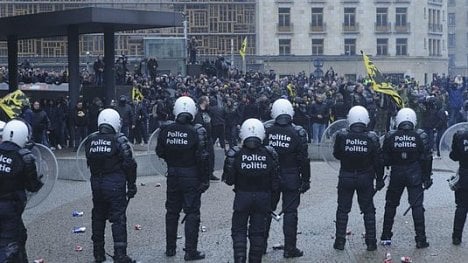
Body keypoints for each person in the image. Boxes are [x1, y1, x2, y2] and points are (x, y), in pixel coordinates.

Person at [156, 96, 210, 261]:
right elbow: (203, 157)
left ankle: (170, 248)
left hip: (173, 174)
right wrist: (204, 179)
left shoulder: (166, 129)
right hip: (191, 174)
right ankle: (190, 251)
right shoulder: (197, 130)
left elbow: (160, 151)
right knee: (192, 212)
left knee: (172, 212)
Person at [223, 118, 280, 263]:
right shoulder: (270, 153)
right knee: (258, 233)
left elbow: (229, 180)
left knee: (239, 230)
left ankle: (240, 258)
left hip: (242, 196)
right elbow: (275, 182)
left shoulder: (236, 153)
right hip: (263, 198)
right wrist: (272, 203)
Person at [85, 109, 137, 263]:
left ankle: (98, 254)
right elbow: (130, 164)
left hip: (97, 183)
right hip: (114, 182)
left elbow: (89, 160)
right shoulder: (118, 139)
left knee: (98, 217)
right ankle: (120, 255)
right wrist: (131, 184)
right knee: (118, 219)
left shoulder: (91, 139)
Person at [263, 98, 310, 258]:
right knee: (290, 212)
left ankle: (260, 245)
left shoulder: (266, 130)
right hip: (291, 175)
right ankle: (290, 248)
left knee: (266, 211)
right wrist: (306, 179)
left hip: (270, 176)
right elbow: (304, 158)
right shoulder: (298, 132)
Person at [332, 106, 384, 251]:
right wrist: (379, 179)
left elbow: (336, 154)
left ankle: (340, 241)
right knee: (368, 210)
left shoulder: (342, 136)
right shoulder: (372, 137)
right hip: (365, 177)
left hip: (346, 176)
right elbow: (378, 161)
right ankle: (371, 242)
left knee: (342, 210)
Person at [380, 108, 433, 248]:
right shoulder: (420, 135)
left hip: (397, 172)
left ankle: (386, 236)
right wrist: (427, 177)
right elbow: (427, 157)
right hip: (414, 173)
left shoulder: (391, 136)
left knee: (391, 204)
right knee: (417, 206)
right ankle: (421, 239)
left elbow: (384, 158)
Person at [0, 119, 43, 262]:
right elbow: (33, 186)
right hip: (10, 208)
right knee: (9, 245)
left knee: (20, 235)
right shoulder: (25, 158)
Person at [449, 128, 468, 245]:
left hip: (465, 173)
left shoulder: (460, 135)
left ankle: (456, 236)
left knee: (461, 206)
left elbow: (453, 156)